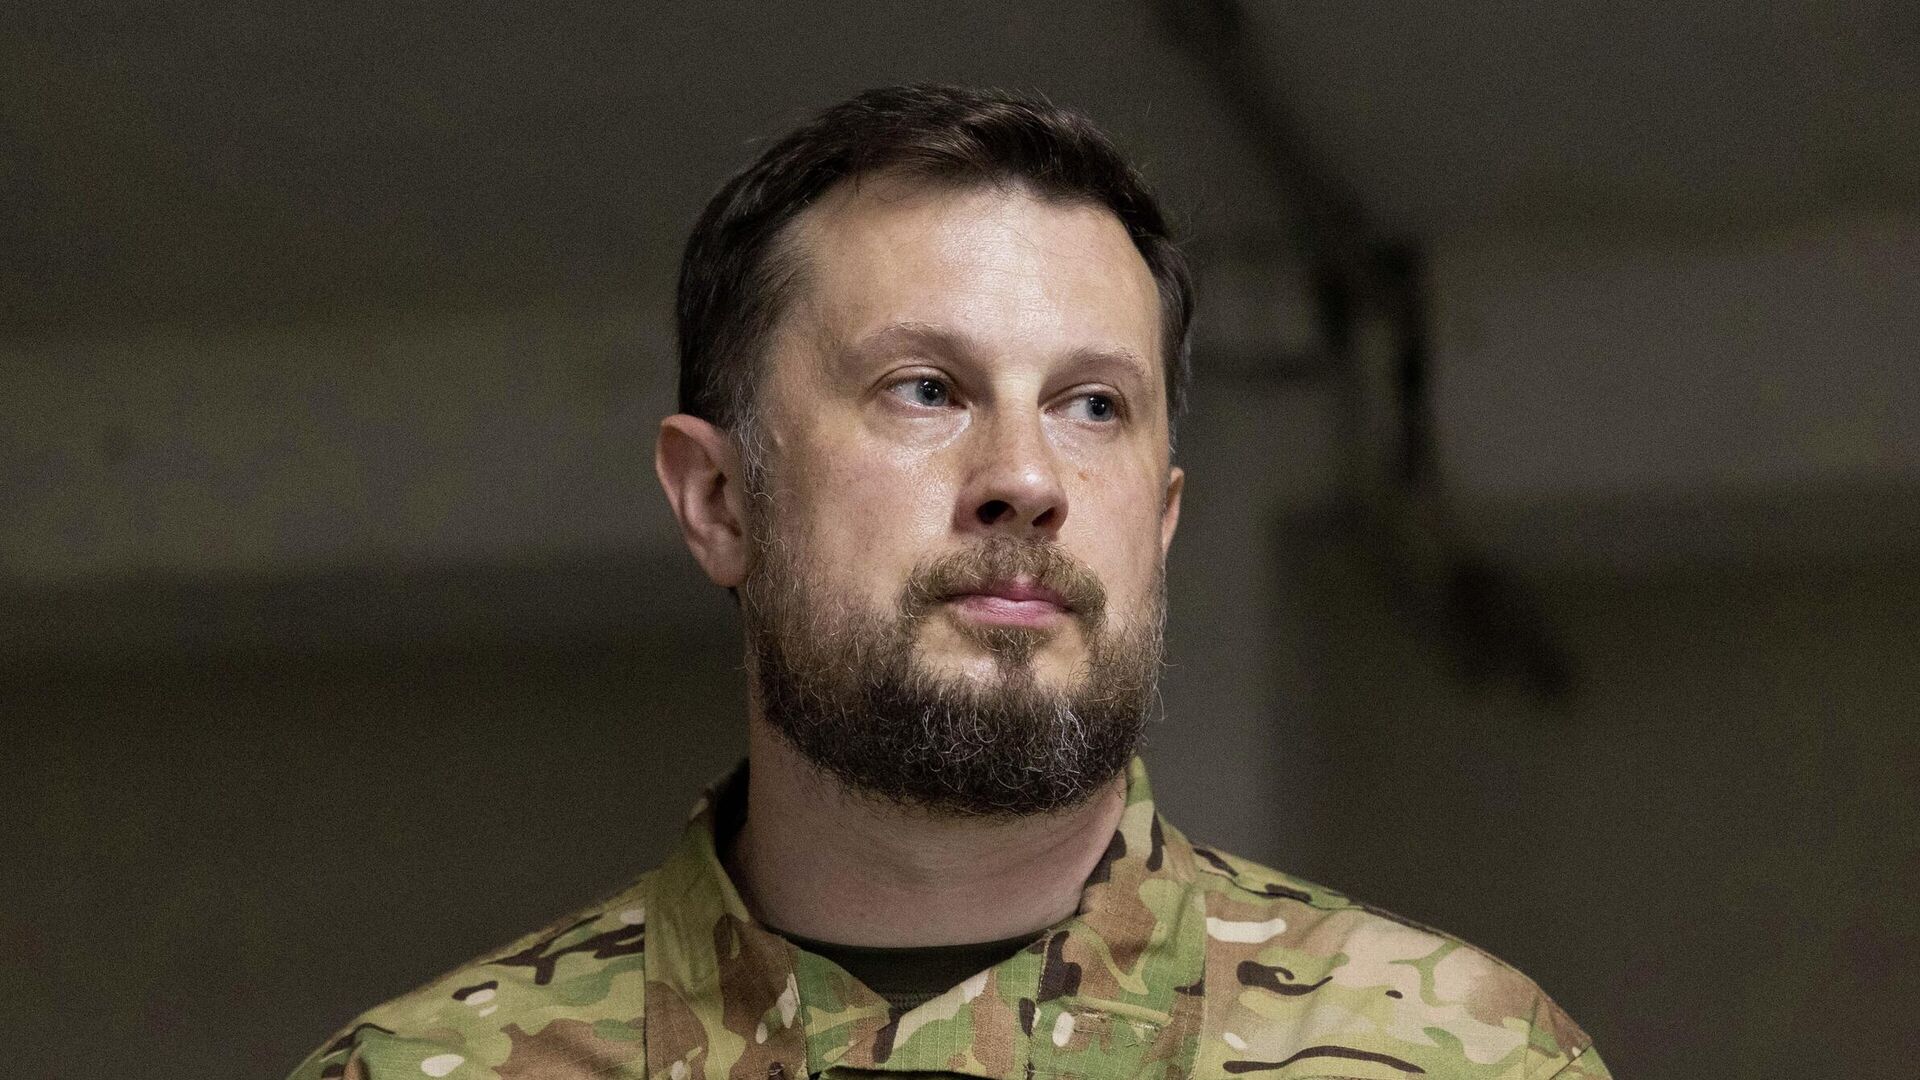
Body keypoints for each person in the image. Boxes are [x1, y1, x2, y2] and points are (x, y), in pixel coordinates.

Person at [288, 84, 1609, 1080]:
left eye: (1093, 404)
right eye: (925, 388)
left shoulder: (1467, 1057)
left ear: (1159, 523)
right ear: (718, 500)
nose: (1025, 478)